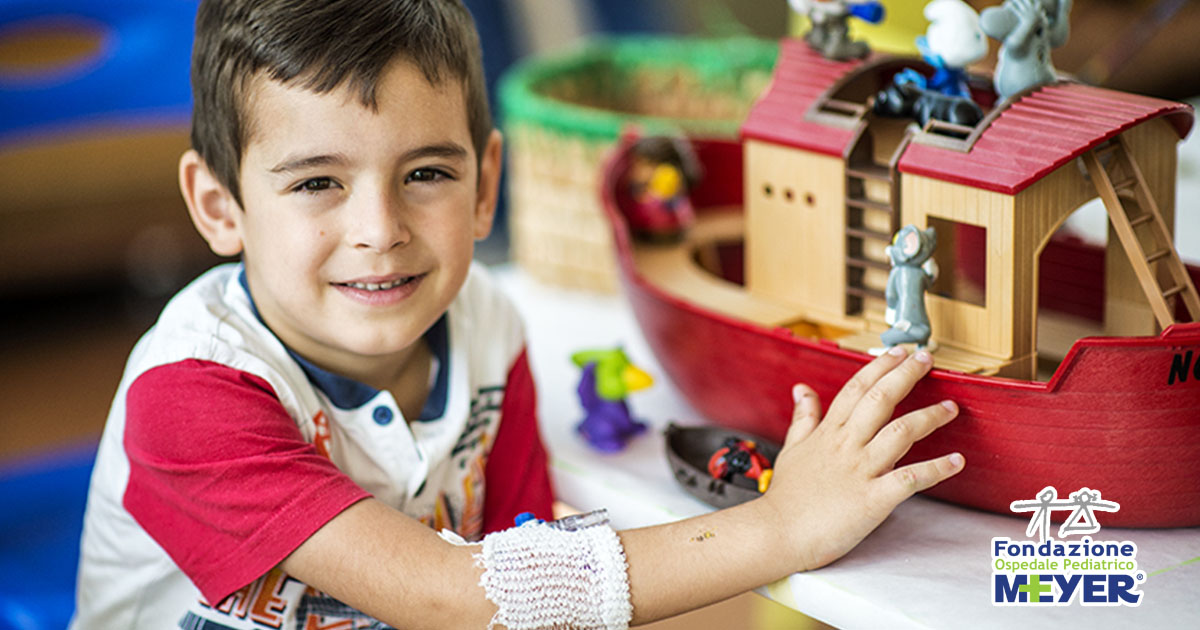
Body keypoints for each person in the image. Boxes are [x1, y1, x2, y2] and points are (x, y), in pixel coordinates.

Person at [71, 1, 965, 628]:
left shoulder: (487, 323)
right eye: (316, 184)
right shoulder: (189, 396)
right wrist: (780, 527)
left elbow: (523, 566)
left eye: (427, 174)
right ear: (220, 205)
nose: (380, 231)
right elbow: (455, 597)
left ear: (487, 183)